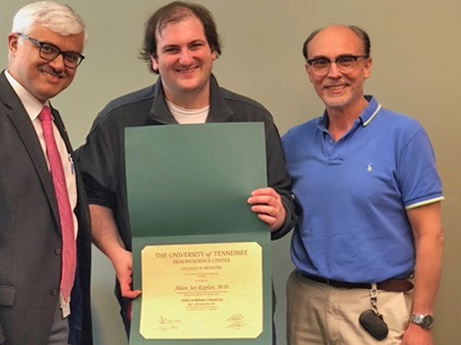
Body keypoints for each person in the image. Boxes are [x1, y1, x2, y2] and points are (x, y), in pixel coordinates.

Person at [76, 1, 297, 343]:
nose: (185, 58)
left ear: (213, 50)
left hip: (238, 299)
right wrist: (118, 255)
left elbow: (286, 201)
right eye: (171, 49)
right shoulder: (118, 120)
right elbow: (90, 194)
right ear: (153, 59)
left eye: (195, 45)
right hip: (155, 297)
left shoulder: (252, 118)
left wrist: (280, 212)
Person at [282, 24, 444, 345]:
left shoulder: (404, 135)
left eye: (346, 60)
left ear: (366, 66)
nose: (333, 73)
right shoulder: (293, 142)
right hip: (306, 303)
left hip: (377, 307)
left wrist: (421, 321)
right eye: (321, 62)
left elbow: (430, 234)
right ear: (309, 71)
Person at [0, 2, 92, 345]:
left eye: (71, 56)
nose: (59, 64)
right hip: (4, 326)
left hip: (60, 311)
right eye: (47, 48)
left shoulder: (52, 119)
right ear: (14, 43)